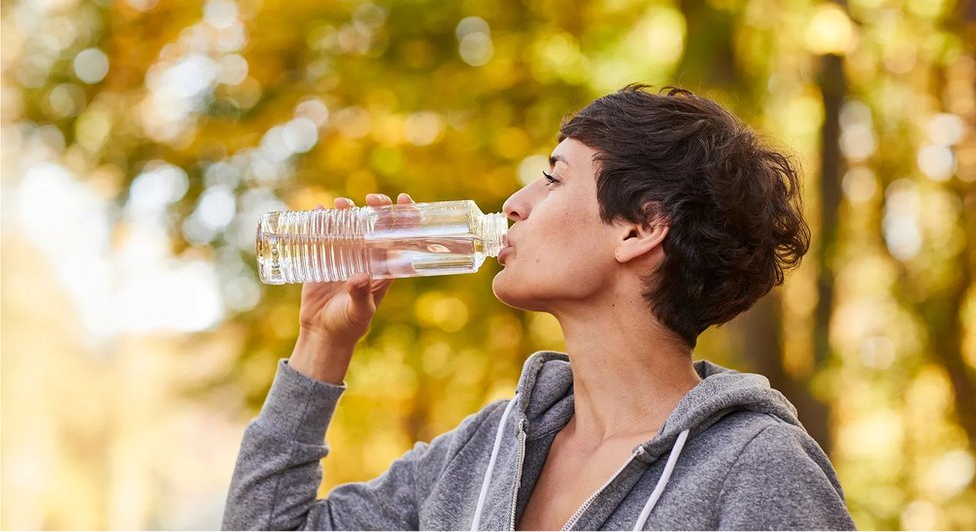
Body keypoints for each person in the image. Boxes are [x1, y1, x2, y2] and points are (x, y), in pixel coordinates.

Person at [222, 85, 856, 531]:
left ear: (638, 230)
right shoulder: (482, 453)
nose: (514, 203)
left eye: (553, 177)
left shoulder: (755, 470)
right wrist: (321, 345)